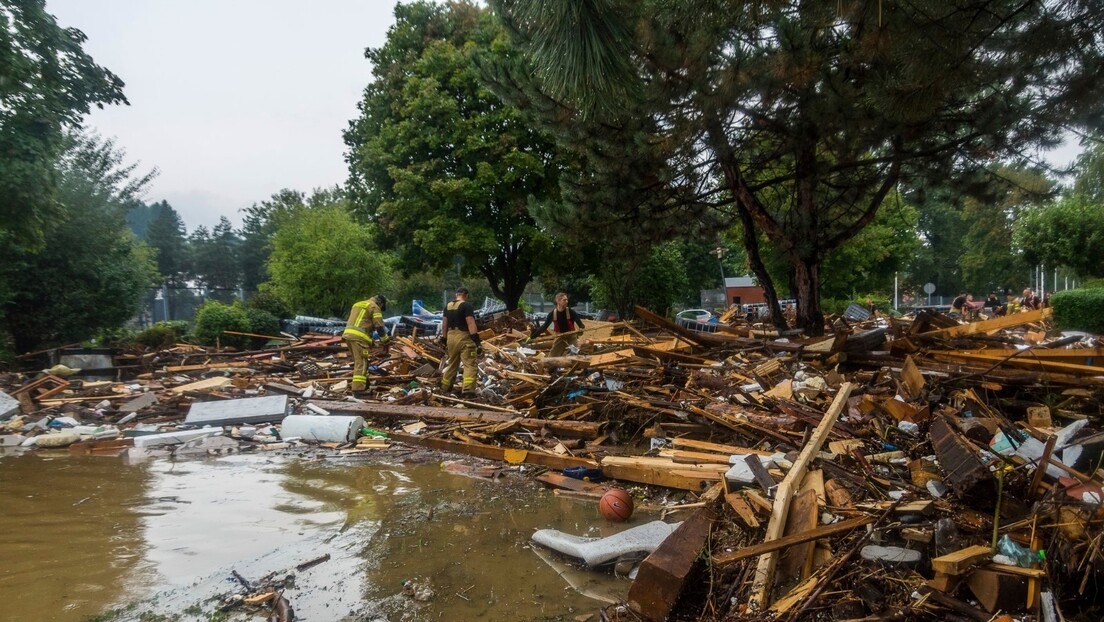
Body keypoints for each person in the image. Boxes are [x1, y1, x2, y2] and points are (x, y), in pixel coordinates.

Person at [439, 287, 482, 395]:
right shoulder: (466, 306)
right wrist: (476, 340)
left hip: (450, 337)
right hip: (463, 338)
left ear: (456, 295)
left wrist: (444, 339)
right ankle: (467, 390)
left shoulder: (447, 306)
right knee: (469, 364)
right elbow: (471, 323)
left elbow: (444, 324)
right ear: (466, 295)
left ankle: (445, 387)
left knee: (452, 364)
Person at [342, 295, 389, 394]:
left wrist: (371, 340)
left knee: (361, 361)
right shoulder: (374, 307)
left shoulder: (357, 304)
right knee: (362, 363)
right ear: (380, 303)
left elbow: (361, 322)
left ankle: (366, 384)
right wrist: (385, 340)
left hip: (348, 335)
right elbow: (379, 326)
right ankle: (358, 390)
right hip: (359, 338)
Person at [528, 292, 585, 357]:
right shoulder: (552, 314)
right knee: (552, 356)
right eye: (564, 300)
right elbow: (544, 327)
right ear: (558, 301)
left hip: (571, 337)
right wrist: (532, 337)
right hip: (560, 337)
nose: (567, 301)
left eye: (567, 300)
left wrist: (581, 329)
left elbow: (581, 325)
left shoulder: (571, 312)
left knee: (575, 355)